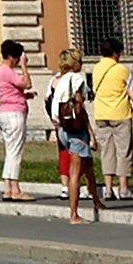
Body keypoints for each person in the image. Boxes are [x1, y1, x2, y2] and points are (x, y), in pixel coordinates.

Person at [51, 50, 95, 222]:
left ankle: (97, 202)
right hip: (76, 130)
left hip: (62, 128)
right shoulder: (77, 79)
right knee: (75, 172)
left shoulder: (58, 80)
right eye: (80, 60)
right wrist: (91, 133)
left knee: (88, 165)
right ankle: (73, 214)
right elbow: (80, 107)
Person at [93, 37, 132, 204]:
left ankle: (108, 189)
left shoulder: (96, 69)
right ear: (116, 53)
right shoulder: (122, 70)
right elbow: (129, 90)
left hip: (101, 113)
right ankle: (124, 187)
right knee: (123, 151)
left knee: (107, 151)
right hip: (120, 113)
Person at [0, 39, 33, 202]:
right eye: (17, 57)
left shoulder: (0, 71)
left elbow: (10, 90)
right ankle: (15, 188)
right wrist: (25, 67)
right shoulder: (7, 70)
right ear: (11, 56)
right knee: (15, 151)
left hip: (5, 111)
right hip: (13, 113)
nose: (19, 60)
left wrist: (24, 96)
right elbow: (26, 83)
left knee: (10, 150)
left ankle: (8, 187)